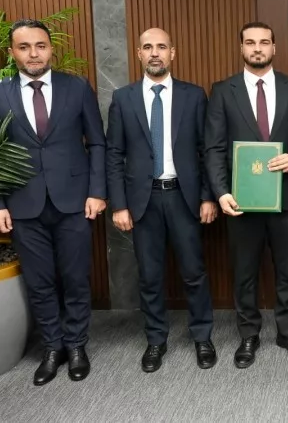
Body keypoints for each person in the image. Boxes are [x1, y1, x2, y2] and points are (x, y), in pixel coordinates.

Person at [0, 19, 106, 386]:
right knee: (39, 281)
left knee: (76, 278)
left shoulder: (77, 87)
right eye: (24, 47)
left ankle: (77, 344)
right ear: (12, 53)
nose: (33, 54)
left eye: (40, 46)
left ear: (51, 49)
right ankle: (53, 347)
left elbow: (98, 142)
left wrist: (97, 191)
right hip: (22, 204)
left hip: (74, 201)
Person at [205, 22, 288, 369]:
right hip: (242, 201)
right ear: (241, 48)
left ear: (274, 48)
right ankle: (249, 335)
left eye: (264, 42)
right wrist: (221, 192)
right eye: (250, 42)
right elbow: (213, 147)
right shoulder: (222, 91)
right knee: (245, 272)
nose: (257, 48)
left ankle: (287, 332)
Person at [106, 28, 218, 373]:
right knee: (150, 276)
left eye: (161, 47)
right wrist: (119, 204)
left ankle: (202, 336)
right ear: (139, 54)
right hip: (143, 201)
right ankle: (156, 339)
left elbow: (206, 151)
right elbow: (114, 154)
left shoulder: (193, 96)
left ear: (173, 53)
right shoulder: (123, 98)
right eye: (148, 47)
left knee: (194, 272)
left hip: (184, 198)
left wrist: (208, 197)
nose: (155, 53)